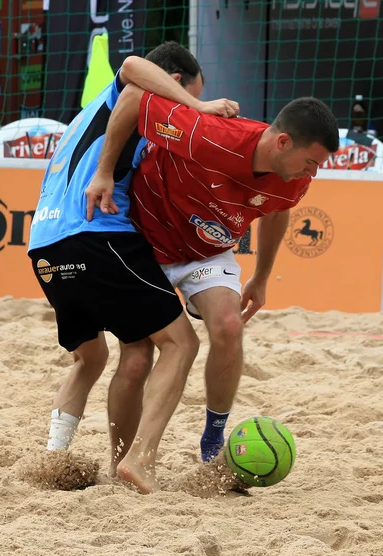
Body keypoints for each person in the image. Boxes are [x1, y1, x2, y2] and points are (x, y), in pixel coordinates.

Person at [86, 85, 339, 472]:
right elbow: (135, 99)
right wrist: (104, 171)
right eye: (311, 162)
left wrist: (261, 277)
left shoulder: (293, 178)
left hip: (204, 253)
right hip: (144, 244)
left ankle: (213, 436)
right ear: (283, 142)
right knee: (137, 358)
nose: (313, 172)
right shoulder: (209, 134)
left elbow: (276, 211)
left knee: (228, 327)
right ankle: (122, 461)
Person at [28, 42, 239, 494]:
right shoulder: (132, 94)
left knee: (98, 356)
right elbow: (131, 66)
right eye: (184, 92)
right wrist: (198, 105)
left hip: (44, 247)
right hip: (96, 234)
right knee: (180, 344)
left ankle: (54, 458)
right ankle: (135, 461)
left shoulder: (81, 119)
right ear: (174, 80)